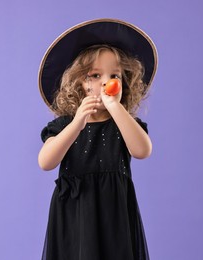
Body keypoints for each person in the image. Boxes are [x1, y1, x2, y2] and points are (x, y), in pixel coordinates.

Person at [37, 19, 158, 260]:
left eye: (115, 75)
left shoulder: (122, 124)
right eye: (95, 75)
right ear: (80, 82)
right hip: (75, 215)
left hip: (115, 216)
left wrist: (116, 109)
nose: (107, 81)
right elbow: (45, 162)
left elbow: (142, 150)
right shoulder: (65, 125)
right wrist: (76, 124)